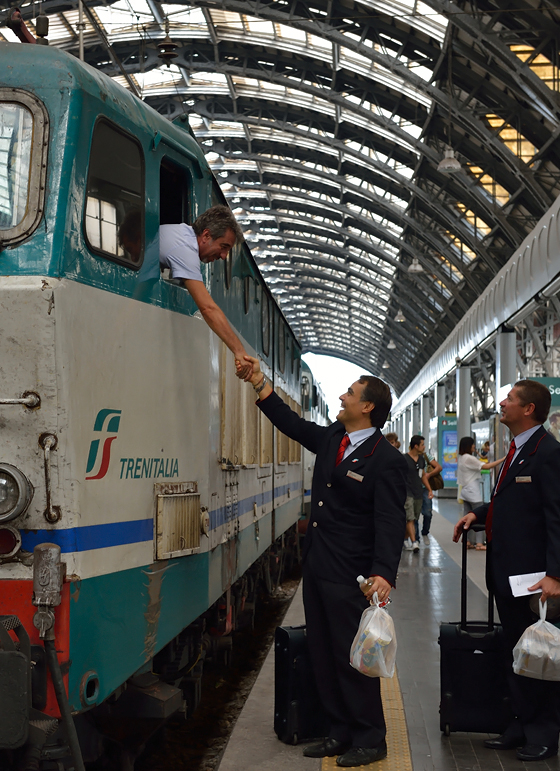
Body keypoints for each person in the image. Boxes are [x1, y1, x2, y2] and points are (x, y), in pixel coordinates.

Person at [242, 355, 405, 767]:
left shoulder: (386, 460)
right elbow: (294, 425)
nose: (341, 396)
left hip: (353, 575)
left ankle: (371, 738)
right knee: (323, 653)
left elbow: (388, 521)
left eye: (350, 393)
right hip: (317, 566)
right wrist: (261, 383)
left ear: (368, 407)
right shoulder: (335, 438)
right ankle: (338, 731)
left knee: (353, 658)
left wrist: (384, 572)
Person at [453, 380, 560, 762]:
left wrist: (556, 575)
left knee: (539, 655)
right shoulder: (516, 451)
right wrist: (479, 513)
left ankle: (543, 733)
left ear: (528, 410)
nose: (501, 404)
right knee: (517, 653)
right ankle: (519, 724)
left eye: (509, 399)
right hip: (508, 576)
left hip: (535, 580)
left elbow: (557, 518)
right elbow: (512, 503)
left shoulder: (549, 454)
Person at [158, 206, 251, 378]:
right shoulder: (185, 249)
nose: (223, 256)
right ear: (206, 235)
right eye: (223, 247)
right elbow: (207, 308)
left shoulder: (181, 233)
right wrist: (239, 351)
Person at [455, 436, 504, 550]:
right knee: (479, 516)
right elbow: (486, 466)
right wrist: (503, 459)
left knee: (467, 518)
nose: (474, 446)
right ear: (468, 445)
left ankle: (467, 541)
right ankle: (479, 543)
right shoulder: (469, 458)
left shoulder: (462, 457)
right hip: (473, 492)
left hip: (465, 491)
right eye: (472, 444)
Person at [403, 436, 431, 552]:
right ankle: (415, 542)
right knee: (409, 517)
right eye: (422, 444)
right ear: (416, 446)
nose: (424, 447)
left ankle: (405, 538)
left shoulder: (421, 459)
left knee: (414, 518)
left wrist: (429, 489)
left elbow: (423, 475)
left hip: (418, 492)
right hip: (407, 492)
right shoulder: (404, 459)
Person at [420, 450, 442, 542]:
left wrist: (429, 474)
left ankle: (425, 532)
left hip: (425, 488)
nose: (424, 447)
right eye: (422, 444)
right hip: (414, 488)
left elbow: (439, 467)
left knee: (428, 513)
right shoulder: (409, 457)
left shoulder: (425, 455)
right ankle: (416, 539)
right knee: (413, 516)